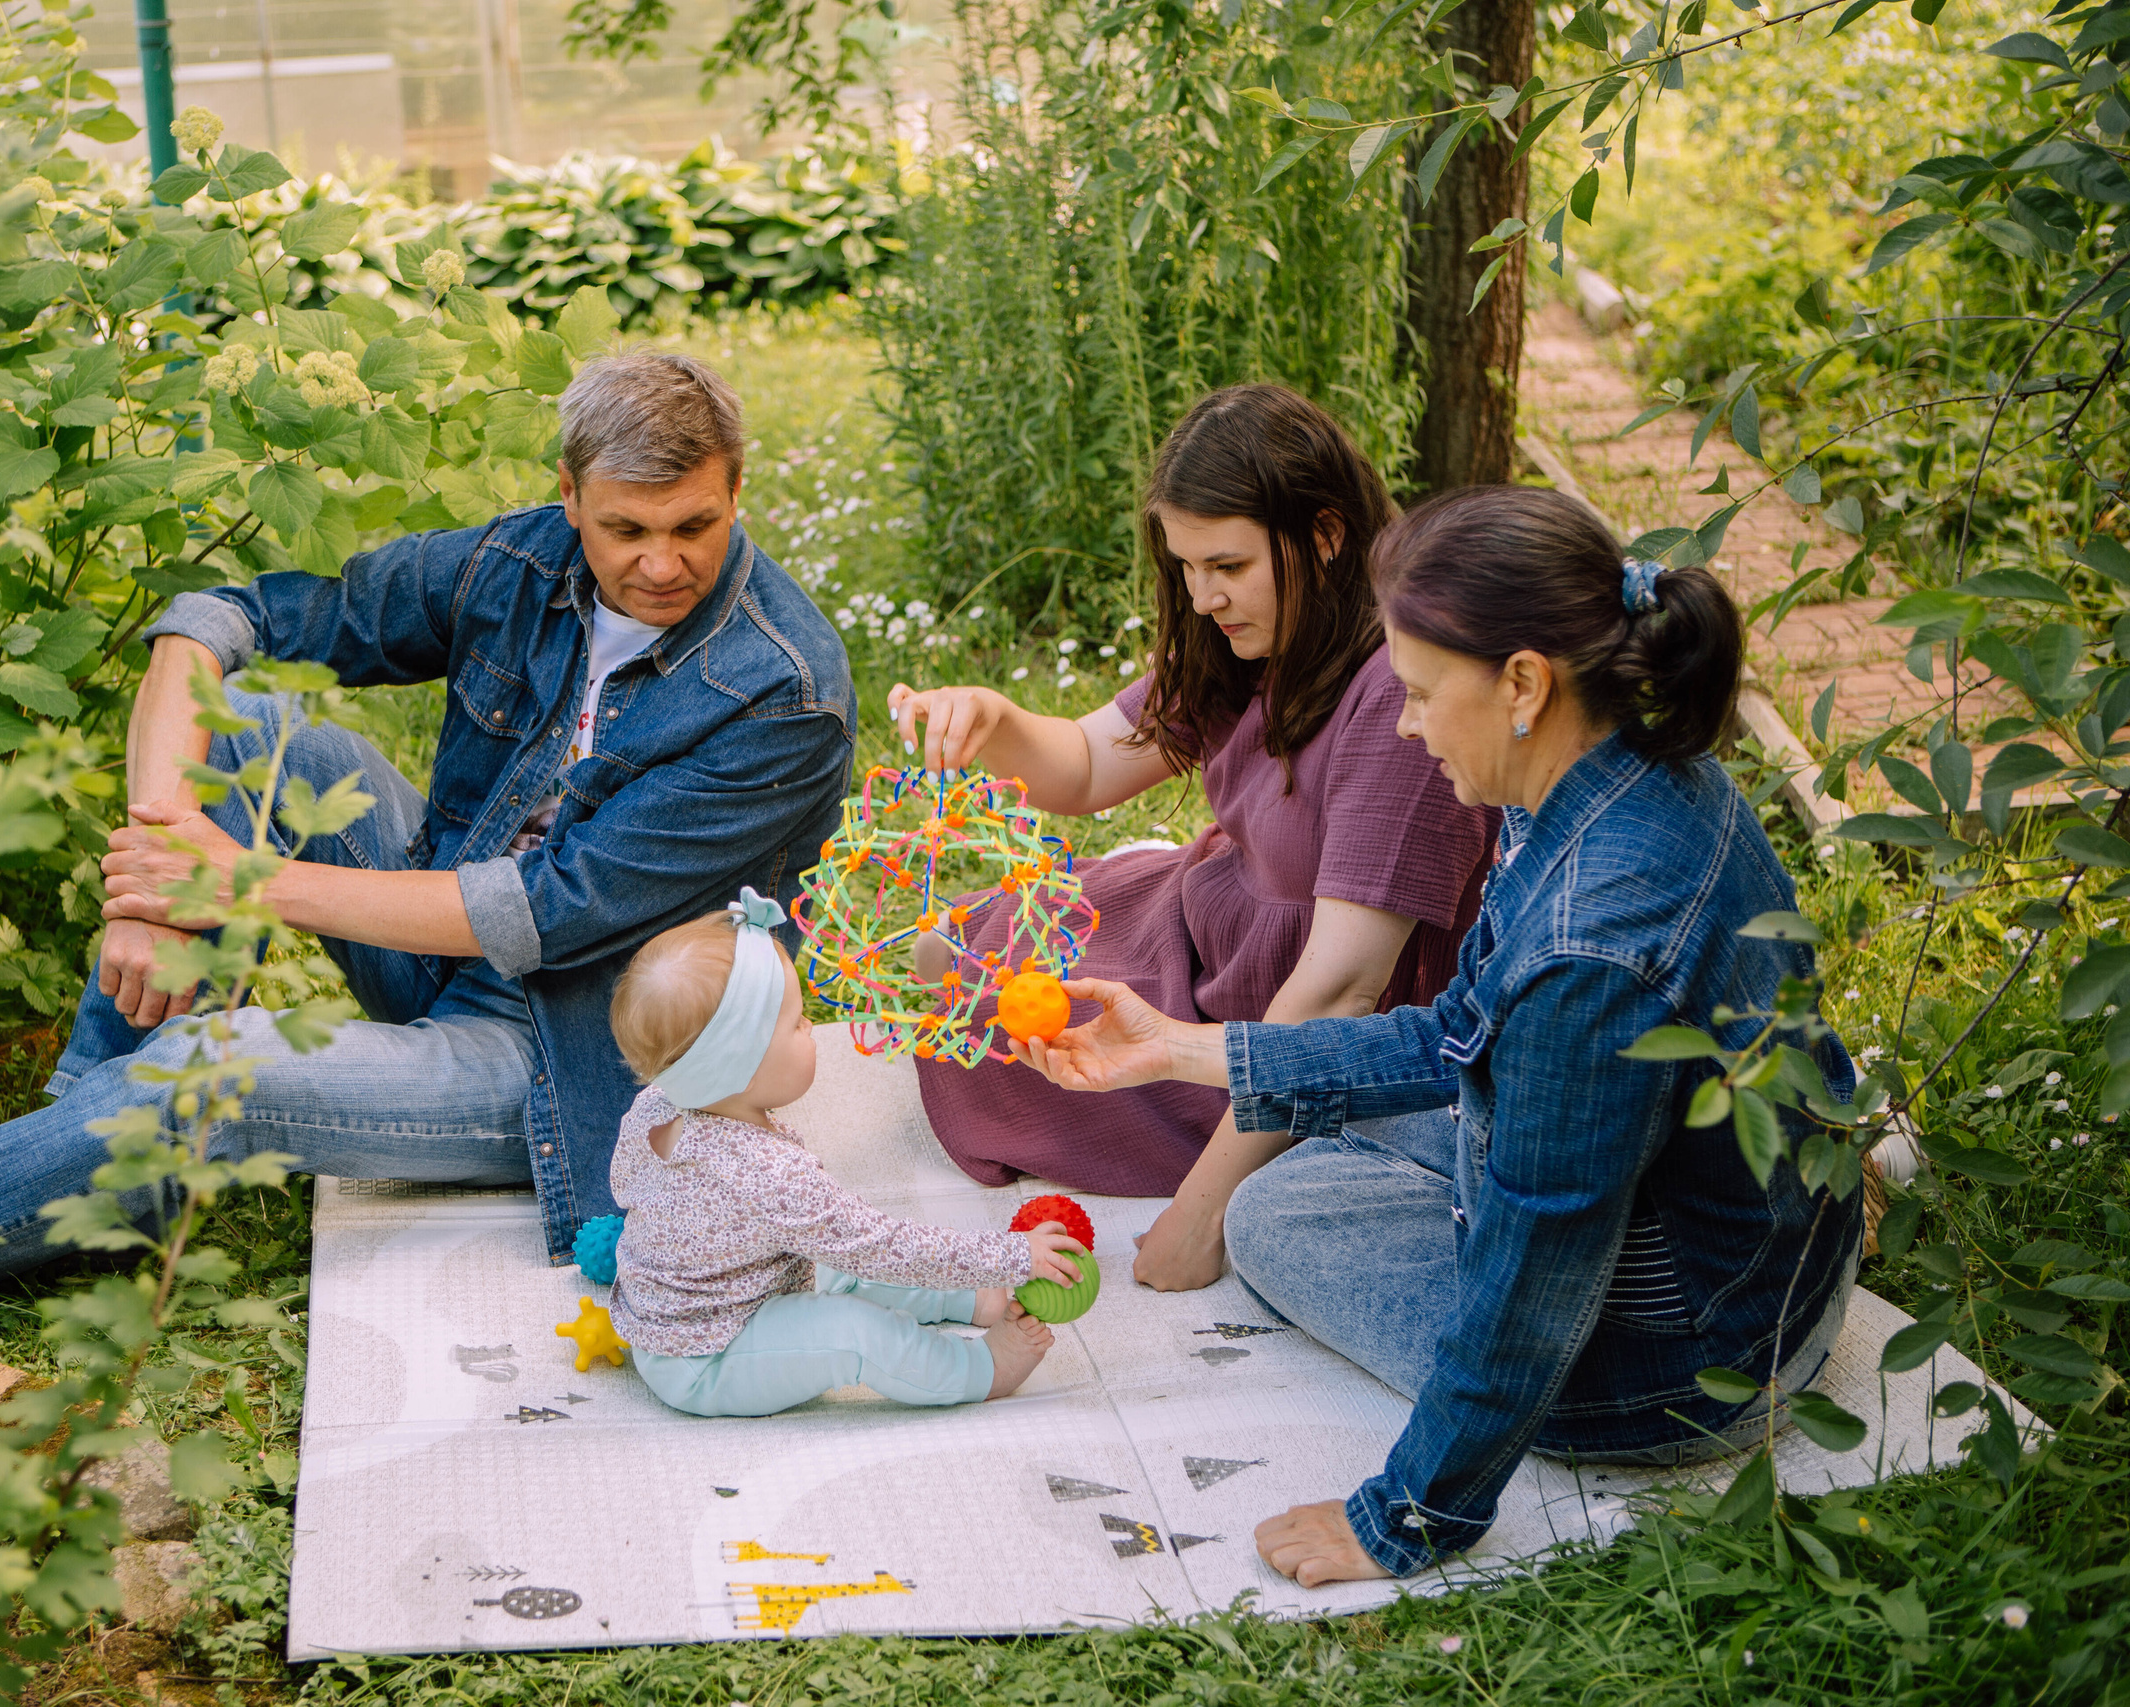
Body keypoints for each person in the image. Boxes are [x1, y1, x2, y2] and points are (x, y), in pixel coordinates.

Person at [0, 352, 855, 1287]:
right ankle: (87, 1155)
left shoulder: (782, 695)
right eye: (624, 531)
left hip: (583, 1055)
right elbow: (231, 620)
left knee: (218, 1073)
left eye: (692, 528)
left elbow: (540, 914)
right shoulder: (524, 558)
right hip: (441, 954)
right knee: (241, 722)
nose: (657, 564)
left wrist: (233, 885)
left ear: (737, 491)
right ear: (571, 498)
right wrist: (157, 874)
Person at [1015, 485, 1861, 1586]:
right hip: (1755, 1239)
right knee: (1308, 1139)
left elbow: (1539, 1273)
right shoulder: (1607, 766)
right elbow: (1458, 1033)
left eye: (1417, 693)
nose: (1405, 725)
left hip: (1685, 1364)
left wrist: (1407, 1516)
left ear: (1521, 682)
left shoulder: (1588, 952)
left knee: (1271, 1211)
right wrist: (1177, 1047)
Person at [888, 384, 1497, 1291]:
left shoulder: (1392, 696)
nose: (1203, 595)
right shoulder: (1247, 637)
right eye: (1184, 566)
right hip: (1219, 917)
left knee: (1011, 1044)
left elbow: (1342, 988)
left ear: (1325, 535)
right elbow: (1090, 766)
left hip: (1294, 1012)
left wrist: (1202, 1210)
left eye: (1227, 564)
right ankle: (1093, 917)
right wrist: (994, 718)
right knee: (1007, 947)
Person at [604, 891, 1086, 1417]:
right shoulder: (772, 1178)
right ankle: (976, 1370)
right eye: (796, 1022)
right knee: (851, 1330)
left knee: (835, 1268)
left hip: (735, 1291)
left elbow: (625, 1187)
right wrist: (1014, 1254)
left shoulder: (653, 1106)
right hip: (705, 1358)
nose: (811, 1028)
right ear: (735, 1067)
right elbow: (885, 1245)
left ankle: (968, 1299)